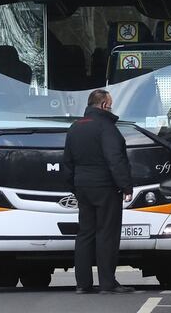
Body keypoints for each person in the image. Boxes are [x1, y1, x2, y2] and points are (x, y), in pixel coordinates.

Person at [62, 89, 136, 294]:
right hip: (105, 187)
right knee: (107, 234)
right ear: (104, 105)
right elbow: (115, 159)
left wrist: (73, 186)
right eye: (110, 104)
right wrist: (126, 185)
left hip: (82, 187)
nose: (111, 108)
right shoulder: (106, 127)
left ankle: (82, 284)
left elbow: (67, 162)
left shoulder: (75, 127)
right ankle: (107, 283)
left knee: (85, 233)